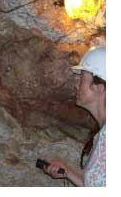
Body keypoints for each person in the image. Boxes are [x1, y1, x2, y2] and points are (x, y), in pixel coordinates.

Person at [43, 47, 106, 187]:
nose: (76, 86)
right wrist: (67, 172)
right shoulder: (102, 135)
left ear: (98, 88)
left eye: (81, 79)